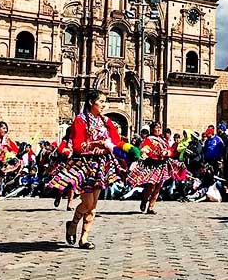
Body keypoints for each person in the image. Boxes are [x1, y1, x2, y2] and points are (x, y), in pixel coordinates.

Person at [48, 90, 134, 249]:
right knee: (87, 203)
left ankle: (84, 238)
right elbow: (78, 145)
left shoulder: (106, 121)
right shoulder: (80, 121)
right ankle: (73, 224)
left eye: (104, 101)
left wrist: (129, 149)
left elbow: (115, 141)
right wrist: (96, 144)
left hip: (102, 164)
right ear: (91, 102)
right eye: (101, 101)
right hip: (86, 164)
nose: (103, 105)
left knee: (93, 205)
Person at [127, 121, 187, 214]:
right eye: (156, 127)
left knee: (158, 187)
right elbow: (145, 149)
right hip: (153, 164)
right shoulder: (149, 139)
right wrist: (147, 152)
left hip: (162, 165)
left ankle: (150, 207)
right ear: (152, 129)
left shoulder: (163, 140)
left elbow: (169, 150)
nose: (159, 129)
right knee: (151, 186)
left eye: (160, 127)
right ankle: (144, 200)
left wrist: (167, 153)